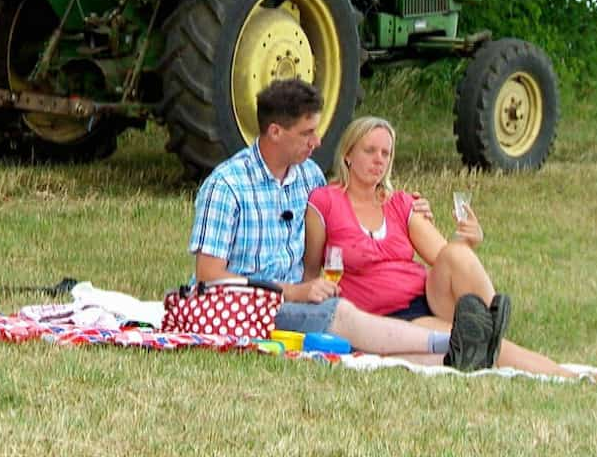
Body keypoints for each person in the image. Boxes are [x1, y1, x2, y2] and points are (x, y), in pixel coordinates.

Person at [188, 79, 505, 370]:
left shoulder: (308, 176)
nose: (318, 140)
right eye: (307, 133)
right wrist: (295, 291)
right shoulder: (227, 186)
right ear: (275, 132)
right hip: (243, 305)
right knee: (339, 313)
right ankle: (452, 342)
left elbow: (348, 203)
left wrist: (406, 205)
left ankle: (458, 354)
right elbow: (209, 275)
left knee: (373, 335)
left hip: (299, 300)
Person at [303, 115, 597, 387]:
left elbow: (444, 255)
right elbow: (312, 269)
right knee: (489, 347)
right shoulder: (325, 201)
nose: (379, 160)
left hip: (426, 296)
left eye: (386, 153)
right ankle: (574, 377)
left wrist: (469, 241)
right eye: (370, 151)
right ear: (348, 154)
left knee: (458, 256)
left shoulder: (400, 203)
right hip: (389, 317)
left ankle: (488, 320)